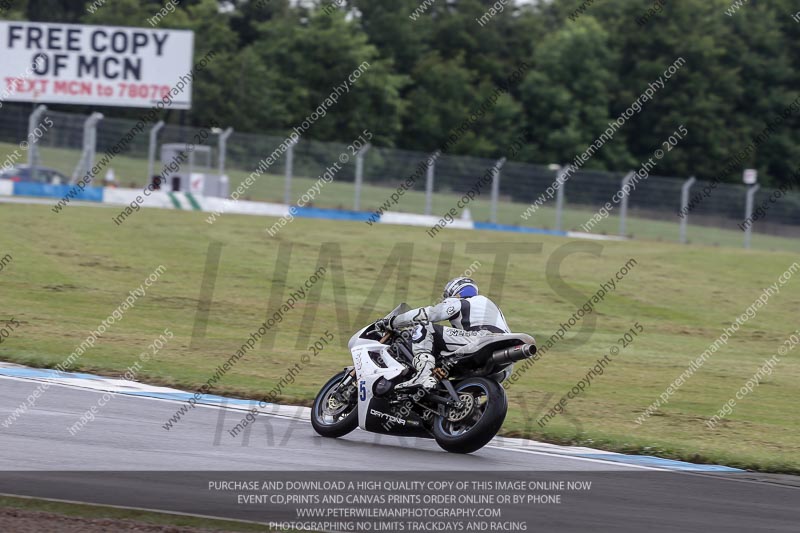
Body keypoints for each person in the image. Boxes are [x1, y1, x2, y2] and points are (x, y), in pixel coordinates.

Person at [375, 277, 510, 390]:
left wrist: (392, 322)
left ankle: (423, 375)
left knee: (425, 327)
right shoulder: (492, 308)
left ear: (455, 291)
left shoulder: (462, 301)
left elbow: (429, 315)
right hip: (503, 361)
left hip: (480, 339)